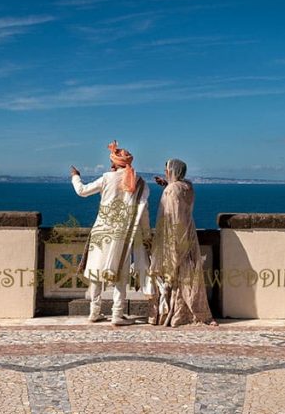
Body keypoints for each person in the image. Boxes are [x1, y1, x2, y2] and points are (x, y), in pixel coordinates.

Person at [70, 140, 152, 326]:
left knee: (96, 271)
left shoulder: (107, 177)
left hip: (101, 230)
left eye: (112, 161)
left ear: (116, 163)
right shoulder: (139, 182)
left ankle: (94, 312)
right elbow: (143, 210)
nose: (110, 164)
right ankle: (117, 314)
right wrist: (146, 234)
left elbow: (82, 191)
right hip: (124, 234)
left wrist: (75, 176)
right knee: (119, 274)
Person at [149, 158, 217, 327]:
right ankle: (190, 310)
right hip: (189, 234)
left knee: (174, 275)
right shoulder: (188, 186)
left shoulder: (172, 190)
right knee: (188, 275)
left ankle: (172, 314)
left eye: (167, 169)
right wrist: (167, 185)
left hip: (174, 236)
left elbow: (172, 215)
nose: (166, 172)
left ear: (173, 170)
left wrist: (167, 187)